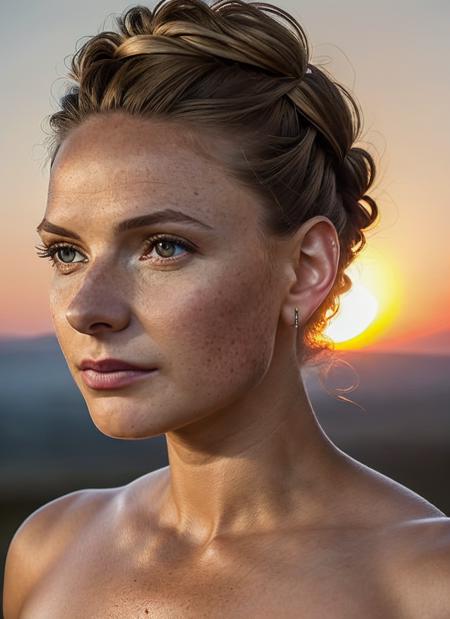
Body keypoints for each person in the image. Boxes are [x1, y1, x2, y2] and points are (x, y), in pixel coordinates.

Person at [3, 0, 450, 616]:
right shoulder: (50, 547)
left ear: (306, 269)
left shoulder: (424, 586)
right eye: (66, 252)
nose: (86, 309)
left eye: (164, 246)